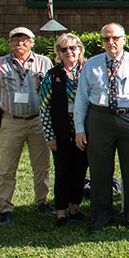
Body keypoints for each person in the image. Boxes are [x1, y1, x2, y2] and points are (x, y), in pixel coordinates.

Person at [74, 23, 129, 234]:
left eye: (115, 38)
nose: (111, 42)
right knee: (100, 170)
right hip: (99, 119)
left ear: (124, 40)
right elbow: (81, 98)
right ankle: (100, 217)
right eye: (106, 39)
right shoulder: (91, 65)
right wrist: (80, 129)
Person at [0, 26, 55, 226]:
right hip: (12, 121)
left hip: (38, 121)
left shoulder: (44, 62)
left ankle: (41, 202)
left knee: (42, 166)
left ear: (32, 42)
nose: (20, 44)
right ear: (10, 43)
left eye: (24, 40)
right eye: (16, 40)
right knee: (7, 168)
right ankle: (5, 208)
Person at [39, 33, 88, 227]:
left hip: (83, 131)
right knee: (62, 172)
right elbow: (43, 107)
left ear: (79, 50)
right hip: (61, 132)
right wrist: (49, 136)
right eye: (64, 49)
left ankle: (75, 208)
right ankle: (61, 212)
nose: (69, 52)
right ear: (58, 52)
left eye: (73, 48)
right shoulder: (52, 76)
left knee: (80, 170)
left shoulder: (87, 71)